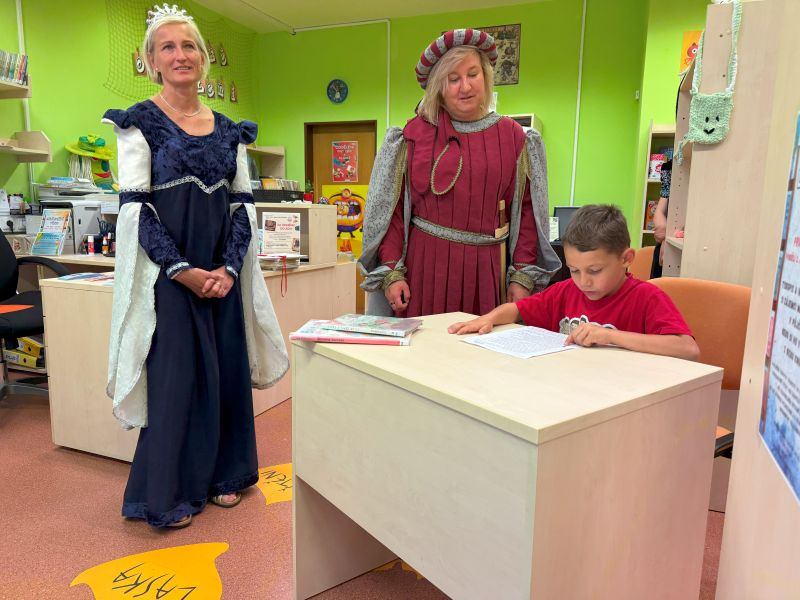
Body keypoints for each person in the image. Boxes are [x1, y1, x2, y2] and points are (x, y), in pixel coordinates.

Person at [103, 4, 288, 529]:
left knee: (226, 370)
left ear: (203, 59)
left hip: (221, 275)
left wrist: (228, 269)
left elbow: (242, 208)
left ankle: (227, 475)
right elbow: (136, 212)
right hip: (169, 277)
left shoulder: (230, 131)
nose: (180, 55)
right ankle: (170, 493)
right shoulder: (138, 124)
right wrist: (182, 269)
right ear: (151, 61)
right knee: (176, 379)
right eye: (168, 47)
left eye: (189, 46)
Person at [358, 29, 560, 318]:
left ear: (486, 77)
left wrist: (521, 276)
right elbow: (392, 214)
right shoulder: (412, 136)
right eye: (453, 79)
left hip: (486, 272)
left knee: (477, 343)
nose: (465, 86)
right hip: (424, 271)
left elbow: (528, 214)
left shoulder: (515, 138)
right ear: (439, 87)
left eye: (473, 74)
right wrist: (391, 271)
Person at [449, 204, 700, 361]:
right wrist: (489, 318)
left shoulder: (646, 297)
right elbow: (517, 309)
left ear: (626, 259)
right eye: (574, 270)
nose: (584, 281)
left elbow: (688, 349)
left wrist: (611, 336)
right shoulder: (566, 290)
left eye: (595, 270)